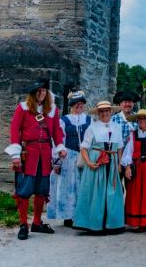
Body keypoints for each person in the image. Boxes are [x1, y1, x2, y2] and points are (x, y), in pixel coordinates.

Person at [5, 79, 66, 240]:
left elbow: (56, 131)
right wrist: (15, 154)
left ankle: (37, 223)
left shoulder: (52, 110)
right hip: (28, 153)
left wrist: (60, 147)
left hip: (45, 154)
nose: (41, 93)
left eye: (44, 91)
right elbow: (14, 129)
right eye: (38, 91)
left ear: (47, 93)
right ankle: (23, 224)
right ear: (33, 93)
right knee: (24, 190)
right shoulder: (23, 108)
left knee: (42, 189)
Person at [73, 101, 125, 233]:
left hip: (111, 163)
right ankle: (94, 224)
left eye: (106, 111)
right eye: (101, 111)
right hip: (97, 162)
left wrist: (119, 164)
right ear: (98, 113)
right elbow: (84, 148)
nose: (104, 113)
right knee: (96, 193)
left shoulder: (117, 127)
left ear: (111, 111)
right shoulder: (92, 128)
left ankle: (112, 224)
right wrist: (89, 162)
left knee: (112, 193)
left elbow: (119, 148)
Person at [48, 90, 91, 227]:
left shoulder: (89, 120)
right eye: (75, 104)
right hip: (69, 156)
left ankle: (83, 215)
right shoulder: (64, 120)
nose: (79, 106)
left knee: (84, 186)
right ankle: (68, 216)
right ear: (71, 105)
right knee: (68, 187)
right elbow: (58, 141)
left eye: (81, 103)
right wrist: (57, 162)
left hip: (85, 157)